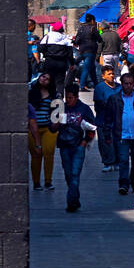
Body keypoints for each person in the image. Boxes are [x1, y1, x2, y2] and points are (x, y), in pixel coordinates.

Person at [102, 70, 134, 194]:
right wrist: (107, 134)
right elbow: (108, 118)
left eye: (130, 83)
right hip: (121, 135)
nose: (128, 86)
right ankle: (123, 184)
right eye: (126, 84)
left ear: (133, 84)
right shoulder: (114, 99)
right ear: (122, 84)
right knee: (123, 160)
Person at [53, 82, 97, 211]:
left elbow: (92, 127)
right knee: (68, 174)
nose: (69, 100)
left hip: (78, 146)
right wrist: (58, 122)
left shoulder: (84, 109)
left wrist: (85, 141)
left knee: (74, 174)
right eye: (67, 97)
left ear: (77, 97)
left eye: (71, 98)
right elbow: (52, 127)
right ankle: (75, 198)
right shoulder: (61, 108)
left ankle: (71, 203)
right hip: (64, 146)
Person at [27, 70, 59, 190]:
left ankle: (48, 181)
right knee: (36, 155)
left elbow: (59, 109)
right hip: (32, 129)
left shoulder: (53, 95)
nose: (43, 79)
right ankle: (36, 182)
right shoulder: (30, 93)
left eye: (47, 78)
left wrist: (57, 122)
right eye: (42, 76)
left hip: (48, 128)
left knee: (49, 153)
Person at [92, 63, 121, 171]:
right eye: (109, 74)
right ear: (103, 76)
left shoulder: (119, 87)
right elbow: (100, 104)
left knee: (118, 142)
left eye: (113, 73)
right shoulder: (100, 88)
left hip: (117, 121)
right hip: (103, 120)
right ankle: (108, 162)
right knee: (105, 143)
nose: (112, 76)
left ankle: (117, 162)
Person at [74, 14, 100, 92]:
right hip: (90, 51)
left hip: (82, 50)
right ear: (92, 20)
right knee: (86, 68)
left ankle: (97, 85)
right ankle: (82, 86)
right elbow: (99, 38)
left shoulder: (81, 28)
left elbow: (76, 40)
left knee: (92, 68)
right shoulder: (93, 28)